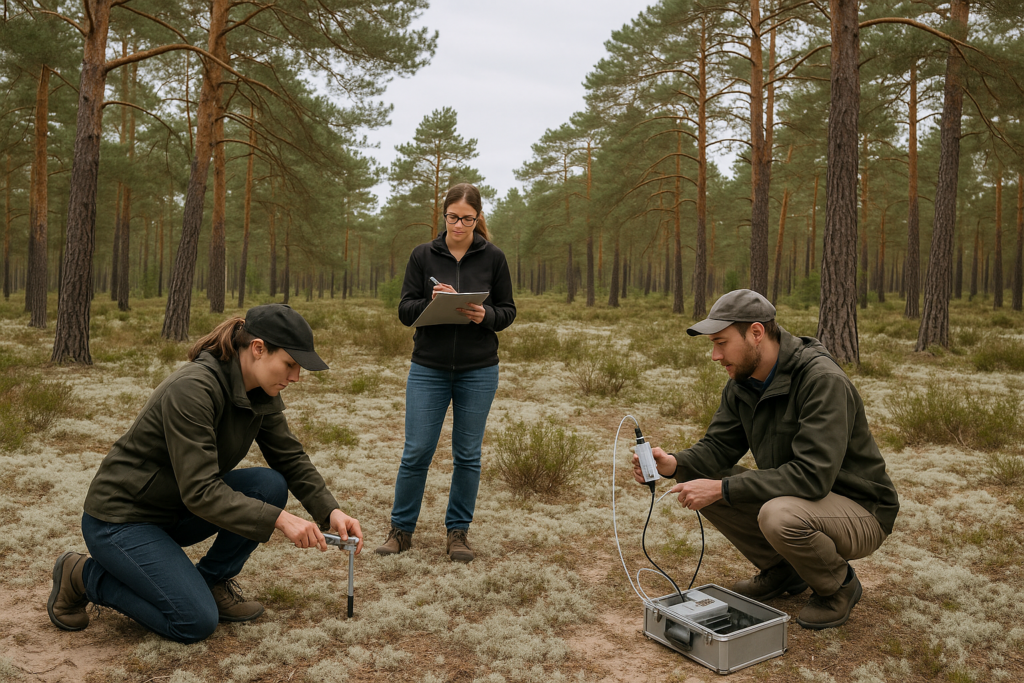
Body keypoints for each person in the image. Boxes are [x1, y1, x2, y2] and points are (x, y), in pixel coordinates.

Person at [47, 304, 363, 643]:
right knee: (193, 621)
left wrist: (330, 511)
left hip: (176, 509)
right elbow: (200, 490)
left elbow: (289, 456)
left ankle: (210, 582)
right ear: (258, 349)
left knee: (268, 485)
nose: (296, 376)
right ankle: (81, 575)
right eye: (290, 364)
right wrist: (280, 520)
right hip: (121, 520)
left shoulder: (258, 391)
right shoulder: (194, 388)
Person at [633, 289, 899, 630]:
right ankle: (785, 570)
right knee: (705, 477)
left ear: (756, 333)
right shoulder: (743, 382)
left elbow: (812, 477)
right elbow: (717, 449)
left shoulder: (821, 380)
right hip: (807, 500)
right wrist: (672, 463)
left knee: (774, 513)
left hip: (861, 509)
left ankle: (838, 587)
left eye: (721, 342)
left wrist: (722, 488)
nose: (715, 355)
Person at [375, 183, 516, 563]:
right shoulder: (423, 256)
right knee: (416, 451)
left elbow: (508, 311)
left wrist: (484, 315)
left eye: (467, 219)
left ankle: (458, 534)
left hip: (479, 370)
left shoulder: (494, 258)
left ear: (478, 217)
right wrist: (431, 301)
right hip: (429, 369)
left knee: (467, 455)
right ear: (444, 215)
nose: (459, 225)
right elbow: (405, 310)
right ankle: (400, 532)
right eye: (453, 217)